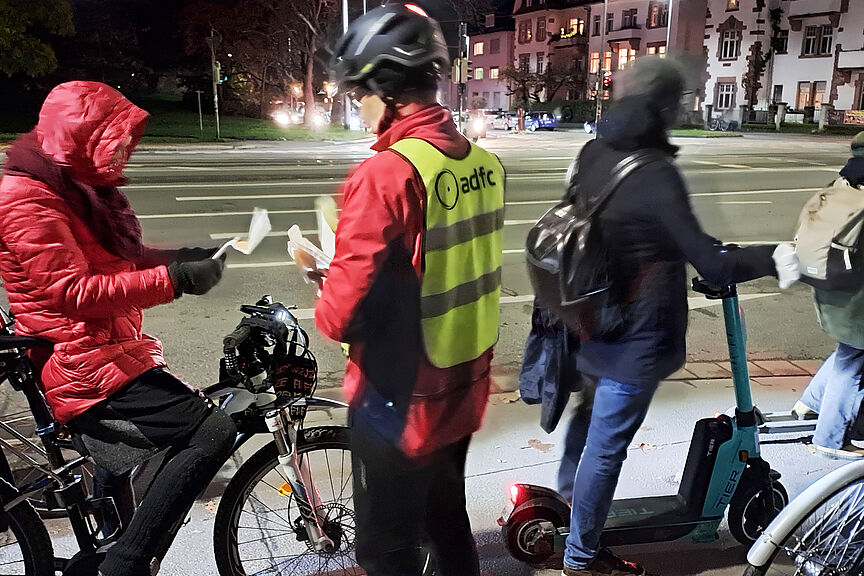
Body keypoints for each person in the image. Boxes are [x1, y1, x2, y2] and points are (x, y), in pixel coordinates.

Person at [556, 58, 796, 576]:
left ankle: (569, 504)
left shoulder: (594, 151)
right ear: (664, 107)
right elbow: (707, 261)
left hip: (588, 320)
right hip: (634, 338)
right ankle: (581, 554)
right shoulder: (655, 172)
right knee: (608, 448)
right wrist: (774, 256)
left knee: (590, 422)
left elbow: (617, 229)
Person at [0, 80, 236, 576]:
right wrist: (172, 280)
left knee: (123, 469)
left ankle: (114, 546)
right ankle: (126, 564)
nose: (127, 152)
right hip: (76, 359)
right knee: (212, 430)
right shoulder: (25, 197)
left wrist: (180, 261)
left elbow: (118, 260)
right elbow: (74, 293)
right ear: (83, 138)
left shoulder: (74, 188)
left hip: (102, 347)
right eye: (118, 141)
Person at [315, 5, 505, 575]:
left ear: (387, 89)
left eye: (359, 92)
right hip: (464, 381)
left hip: (398, 396)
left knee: (385, 549)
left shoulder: (386, 174)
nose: (358, 104)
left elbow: (339, 315)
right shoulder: (482, 163)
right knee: (446, 519)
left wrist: (324, 281)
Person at [792, 132, 864, 459]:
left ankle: (809, 404)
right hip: (856, 300)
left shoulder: (843, 183)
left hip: (830, 289)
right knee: (856, 365)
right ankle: (831, 439)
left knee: (849, 352)